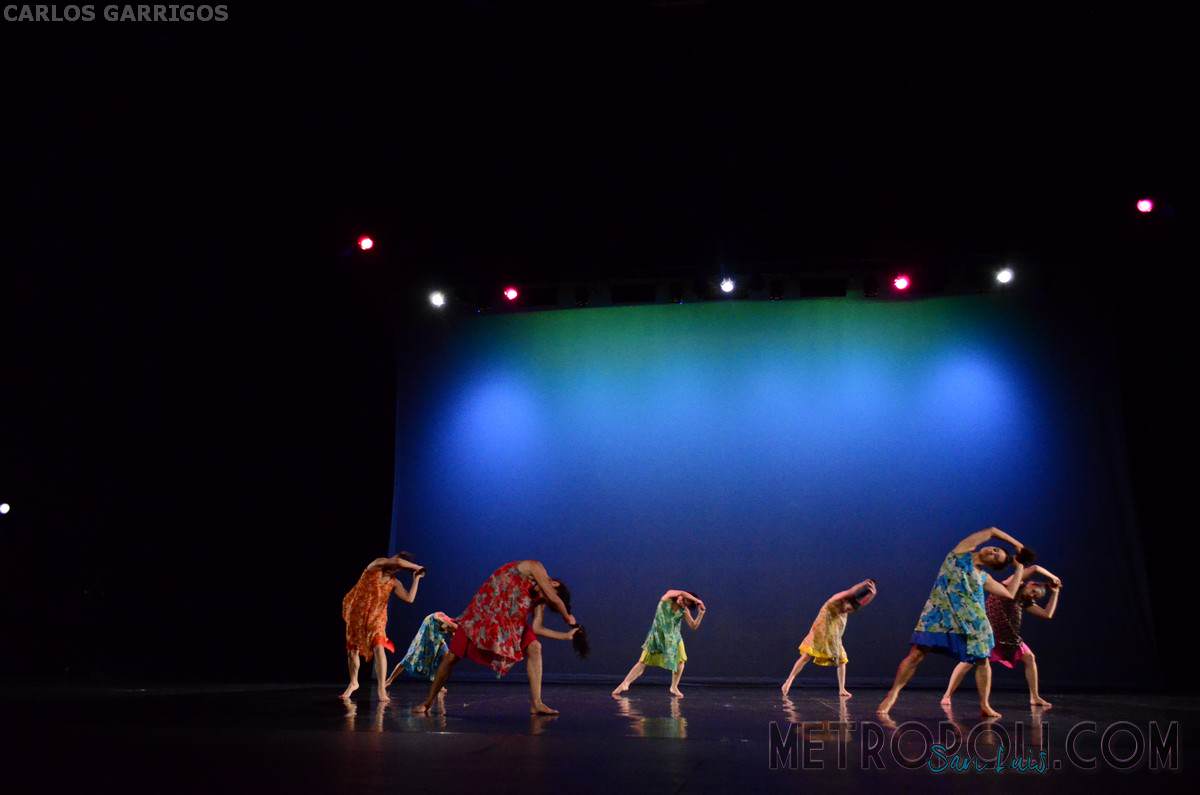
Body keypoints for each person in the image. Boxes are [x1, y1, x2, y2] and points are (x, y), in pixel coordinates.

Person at [876, 527, 1028, 718]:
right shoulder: (960, 552)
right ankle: (893, 693)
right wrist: (1017, 544)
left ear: (992, 565)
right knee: (916, 654)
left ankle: (985, 704)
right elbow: (991, 531)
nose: (993, 551)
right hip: (939, 615)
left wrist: (1020, 566)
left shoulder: (983, 577)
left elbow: (1009, 594)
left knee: (982, 660)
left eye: (996, 557)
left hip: (973, 623)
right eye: (995, 549)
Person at [412, 560, 578, 715]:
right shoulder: (535, 567)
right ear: (554, 584)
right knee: (452, 657)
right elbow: (553, 597)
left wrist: (564, 636)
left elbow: (537, 628)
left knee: (535, 647)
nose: (543, 598)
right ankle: (428, 702)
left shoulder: (540, 597)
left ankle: (537, 703)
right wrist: (567, 616)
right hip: (485, 610)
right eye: (547, 596)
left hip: (510, 622)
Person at [941, 566, 1062, 707]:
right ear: (1030, 584)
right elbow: (1034, 568)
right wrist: (1052, 577)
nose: (1033, 596)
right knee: (967, 662)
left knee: (1029, 657)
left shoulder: (1023, 601)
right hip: (988, 634)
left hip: (1009, 638)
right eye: (1034, 591)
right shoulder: (1008, 586)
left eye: (1036, 597)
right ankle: (947, 695)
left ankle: (1034, 697)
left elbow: (1047, 614)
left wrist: (1055, 593)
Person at [341, 552, 426, 702]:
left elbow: (409, 598)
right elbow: (398, 561)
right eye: (396, 562)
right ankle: (354, 682)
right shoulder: (377, 564)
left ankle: (381, 688)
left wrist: (416, 579)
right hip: (357, 614)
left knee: (379, 646)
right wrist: (417, 567)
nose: (395, 566)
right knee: (352, 651)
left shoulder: (394, 583)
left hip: (377, 617)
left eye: (398, 567)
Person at [781, 579, 877, 698]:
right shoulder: (835, 600)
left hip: (833, 636)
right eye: (846, 608)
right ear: (843, 602)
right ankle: (789, 681)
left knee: (842, 660)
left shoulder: (847, 608)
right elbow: (851, 591)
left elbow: (860, 604)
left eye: (849, 610)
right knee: (806, 656)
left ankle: (842, 689)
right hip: (820, 632)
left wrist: (871, 595)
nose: (847, 611)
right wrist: (863, 584)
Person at [611, 590, 706, 699]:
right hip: (657, 636)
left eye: (685, 603)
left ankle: (674, 687)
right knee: (642, 662)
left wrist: (701, 614)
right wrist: (697, 600)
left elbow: (693, 626)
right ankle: (625, 683)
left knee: (681, 661)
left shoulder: (684, 610)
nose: (682, 601)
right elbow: (681, 592)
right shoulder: (666, 598)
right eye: (683, 599)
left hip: (674, 639)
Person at [386, 611, 458, 686]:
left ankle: (439, 686)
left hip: (437, 635)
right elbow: (439, 618)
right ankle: (389, 680)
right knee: (410, 656)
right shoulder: (450, 623)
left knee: (446, 658)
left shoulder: (450, 628)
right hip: (428, 629)